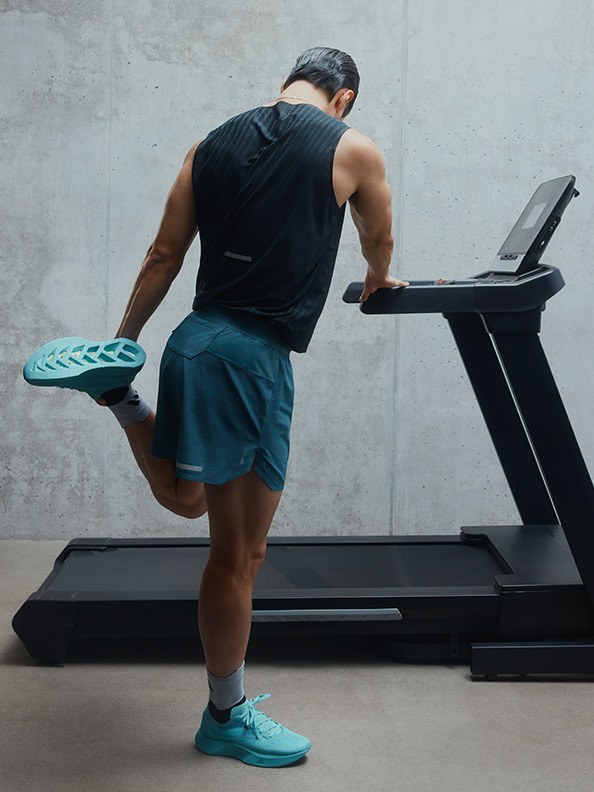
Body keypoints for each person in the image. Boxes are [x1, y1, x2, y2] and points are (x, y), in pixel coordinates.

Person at [24, 46, 408, 767]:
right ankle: (225, 716)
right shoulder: (353, 147)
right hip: (251, 359)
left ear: (288, 79)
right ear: (344, 97)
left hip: (194, 343)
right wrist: (381, 278)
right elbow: (378, 239)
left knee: (188, 500)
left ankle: (117, 390)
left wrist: (124, 342)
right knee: (239, 556)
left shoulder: (211, 143)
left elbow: (162, 256)